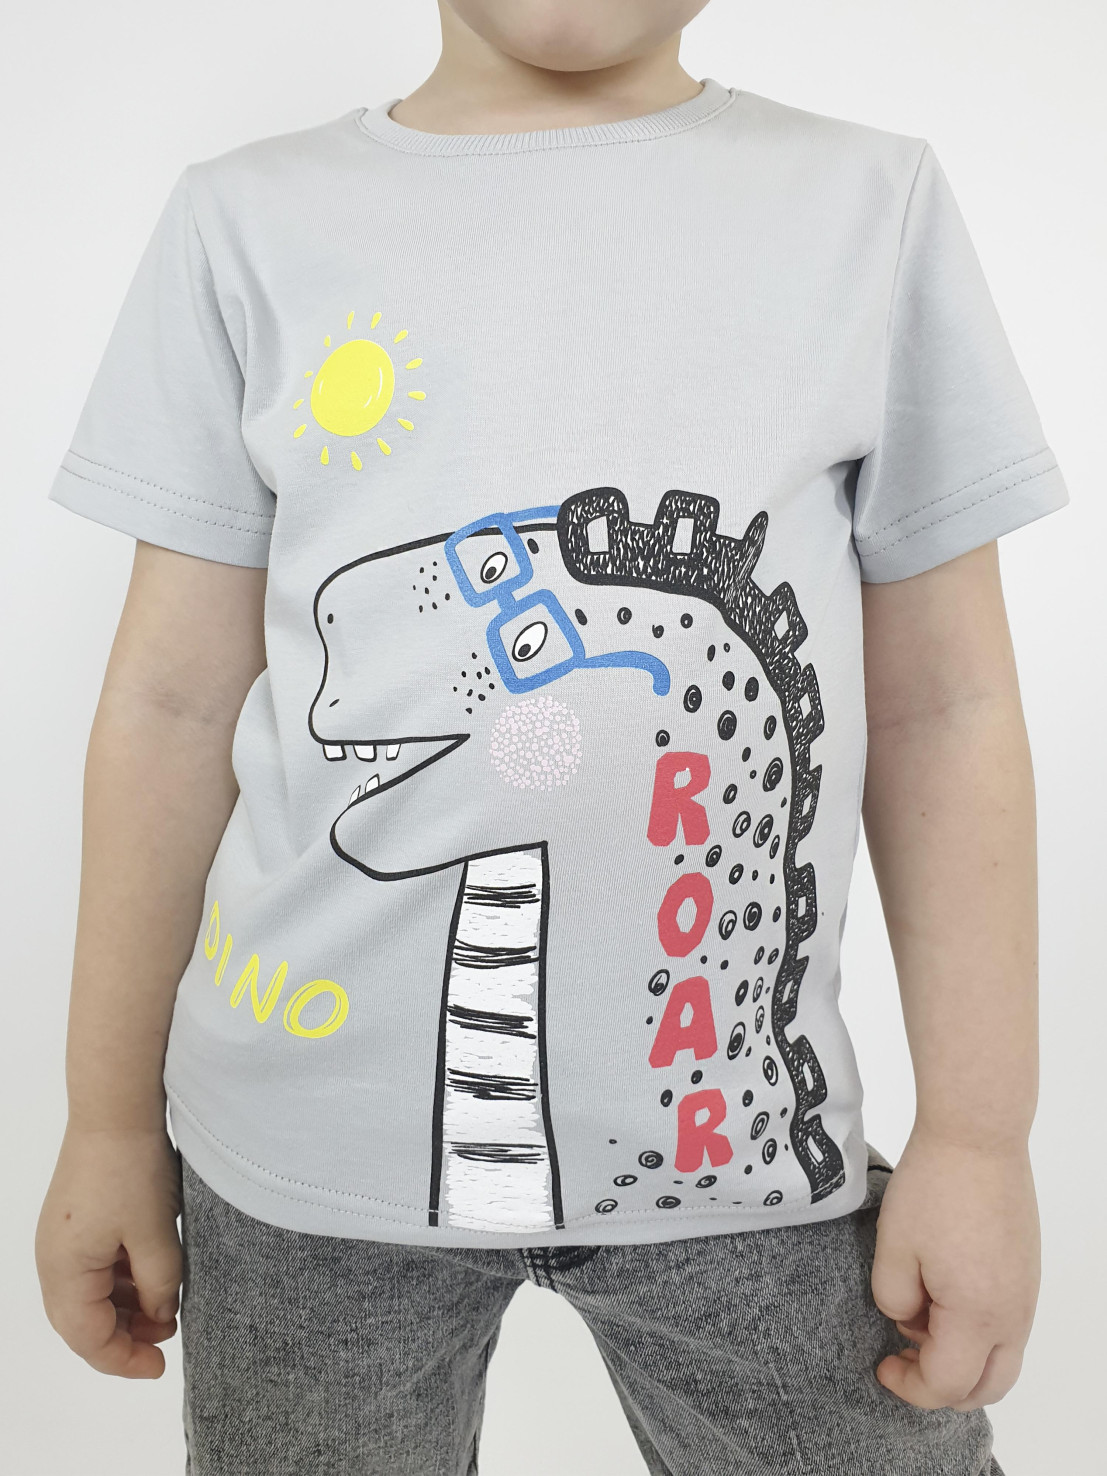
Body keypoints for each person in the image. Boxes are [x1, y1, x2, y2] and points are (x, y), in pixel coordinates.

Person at [34, 2, 1067, 1472]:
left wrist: (978, 1136)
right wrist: (106, 1120)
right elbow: (171, 703)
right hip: (290, 1162)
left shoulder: (868, 205)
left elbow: (945, 706)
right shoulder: (242, 220)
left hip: (742, 1164)